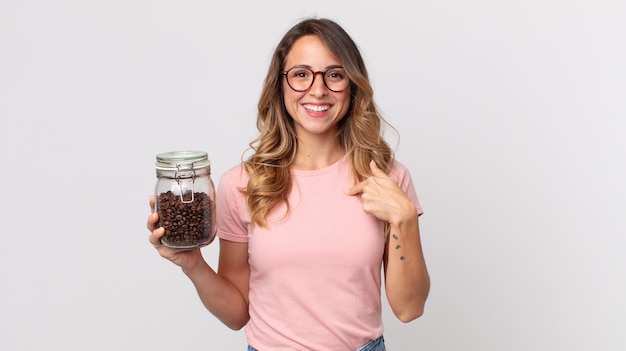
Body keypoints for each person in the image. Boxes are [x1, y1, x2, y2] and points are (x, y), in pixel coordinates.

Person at [147, 17, 430, 351]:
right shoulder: (242, 184)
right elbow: (238, 314)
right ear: (280, 87)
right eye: (301, 75)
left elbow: (409, 309)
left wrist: (404, 218)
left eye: (334, 75)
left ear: (352, 85)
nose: (318, 89)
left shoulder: (387, 179)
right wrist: (193, 265)